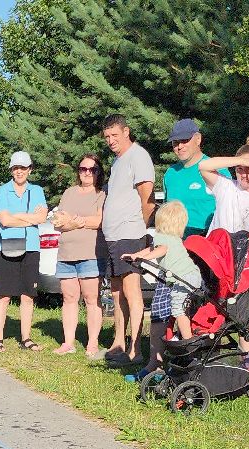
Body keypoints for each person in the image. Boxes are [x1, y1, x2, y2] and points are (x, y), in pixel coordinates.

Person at [98, 115, 156, 367]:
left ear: (126, 131)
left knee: (132, 291)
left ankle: (136, 349)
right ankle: (118, 343)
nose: (111, 140)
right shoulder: (117, 161)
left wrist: (140, 228)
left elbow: (147, 198)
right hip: (113, 236)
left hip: (130, 234)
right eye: (107, 137)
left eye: (115, 135)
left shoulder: (138, 156)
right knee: (116, 291)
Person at [127, 201, 200, 372]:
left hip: (182, 279)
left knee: (178, 309)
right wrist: (135, 256)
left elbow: (160, 250)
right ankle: (185, 343)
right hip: (192, 276)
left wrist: (145, 259)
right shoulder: (175, 238)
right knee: (183, 309)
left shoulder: (162, 237)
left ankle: (189, 345)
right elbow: (151, 249)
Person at [0, 150, 47, 353]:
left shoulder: (37, 191)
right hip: (7, 246)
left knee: (27, 295)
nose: (19, 171)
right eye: (16, 168)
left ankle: (26, 338)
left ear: (30, 169)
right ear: (11, 170)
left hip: (31, 248)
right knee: (4, 296)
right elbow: (5, 220)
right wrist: (29, 217)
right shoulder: (2, 191)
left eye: (23, 167)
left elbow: (42, 218)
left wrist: (18, 216)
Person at [50, 154, 104, 355]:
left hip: (91, 253)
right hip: (66, 254)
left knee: (91, 298)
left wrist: (72, 219)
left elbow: (99, 221)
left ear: (99, 172)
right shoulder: (69, 193)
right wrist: (79, 222)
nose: (87, 173)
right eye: (83, 169)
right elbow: (57, 222)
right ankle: (68, 342)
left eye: (92, 169)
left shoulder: (102, 194)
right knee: (69, 297)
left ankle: (92, 343)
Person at [162, 118, 227, 235]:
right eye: (175, 142)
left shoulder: (217, 169)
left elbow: (231, 209)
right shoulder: (170, 173)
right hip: (174, 238)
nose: (179, 146)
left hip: (207, 237)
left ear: (198, 139)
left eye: (184, 140)